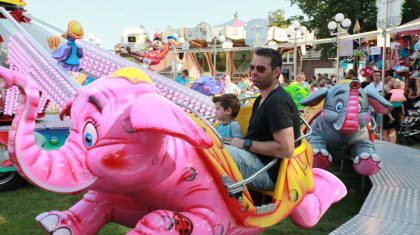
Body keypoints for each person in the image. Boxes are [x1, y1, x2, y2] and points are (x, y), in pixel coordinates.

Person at [226, 48, 301, 190]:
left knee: (213, 152)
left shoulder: (277, 102)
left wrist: (244, 144)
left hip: (266, 171)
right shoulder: (261, 99)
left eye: (260, 69)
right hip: (255, 161)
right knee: (212, 142)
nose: (254, 72)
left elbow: (286, 149)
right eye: (252, 67)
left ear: (276, 72)